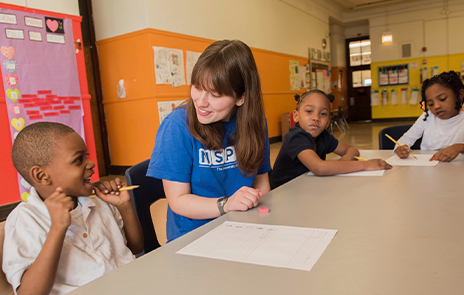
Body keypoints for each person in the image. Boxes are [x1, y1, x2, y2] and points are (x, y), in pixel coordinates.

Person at [147, 40, 271, 242]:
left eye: (215, 94)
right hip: (194, 236)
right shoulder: (177, 126)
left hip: (243, 226)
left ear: (241, 98)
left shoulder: (255, 123)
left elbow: (261, 182)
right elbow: (177, 201)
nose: (201, 102)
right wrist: (226, 205)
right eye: (197, 87)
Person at [3, 122, 143, 295]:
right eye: (78, 160)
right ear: (41, 175)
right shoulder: (25, 220)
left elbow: (136, 247)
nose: (91, 163)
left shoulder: (99, 202)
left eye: (87, 156)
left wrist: (125, 206)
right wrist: (57, 228)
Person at [270, 90, 391, 189]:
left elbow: (351, 149)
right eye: (309, 111)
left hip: (308, 189)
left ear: (328, 121)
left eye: (323, 114)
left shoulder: (323, 136)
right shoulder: (296, 137)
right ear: (296, 116)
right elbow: (319, 168)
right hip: (284, 194)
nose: (316, 118)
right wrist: (365, 165)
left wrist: (345, 160)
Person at [395, 71, 464, 162]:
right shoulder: (427, 117)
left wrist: (459, 147)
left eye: (442, 99)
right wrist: (400, 148)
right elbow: (406, 138)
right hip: (428, 169)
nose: (436, 106)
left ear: (460, 95)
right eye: (431, 104)